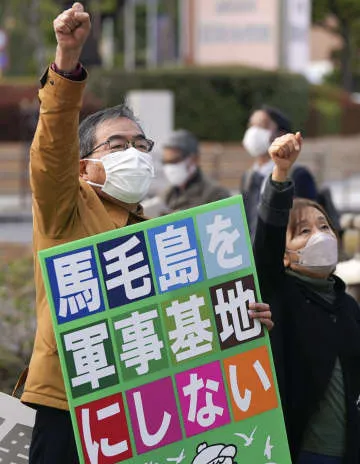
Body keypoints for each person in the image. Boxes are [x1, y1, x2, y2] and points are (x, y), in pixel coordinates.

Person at [20, 4, 274, 463]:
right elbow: (51, 148)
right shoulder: (65, 208)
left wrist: (241, 315)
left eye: (141, 145)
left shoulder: (164, 234)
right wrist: (67, 60)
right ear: (84, 165)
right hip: (67, 397)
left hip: (141, 401)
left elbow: (185, 322)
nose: (134, 154)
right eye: (117, 145)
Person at [253, 131, 360, 464]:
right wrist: (281, 175)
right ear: (285, 255)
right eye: (303, 231)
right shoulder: (281, 294)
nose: (320, 236)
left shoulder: (347, 304)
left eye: (324, 226)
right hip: (303, 451)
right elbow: (268, 239)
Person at [241, 105, 318, 239]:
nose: (254, 131)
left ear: (281, 134)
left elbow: (307, 225)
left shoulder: (298, 175)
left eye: (262, 126)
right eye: (251, 125)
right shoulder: (248, 177)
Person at [161, 129, 230, 213]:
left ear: (194, 159)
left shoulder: (215, 194)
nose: (170, 167)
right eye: (166, 162)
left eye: (175, 161)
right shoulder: (166, 195)